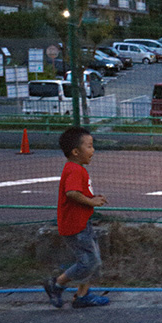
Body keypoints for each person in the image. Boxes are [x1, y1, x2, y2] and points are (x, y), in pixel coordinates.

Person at [43, 127, 110, 308]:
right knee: (90, 261)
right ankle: (57, 284)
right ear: (75, 152)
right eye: (89, 146)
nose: (92, 150)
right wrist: (91, 202)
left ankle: (82, 295)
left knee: (93, 259)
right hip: (75, 226)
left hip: (81, 223)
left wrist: (93, 199)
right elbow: (72, 192)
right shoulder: (75, 170)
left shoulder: (76, 168)